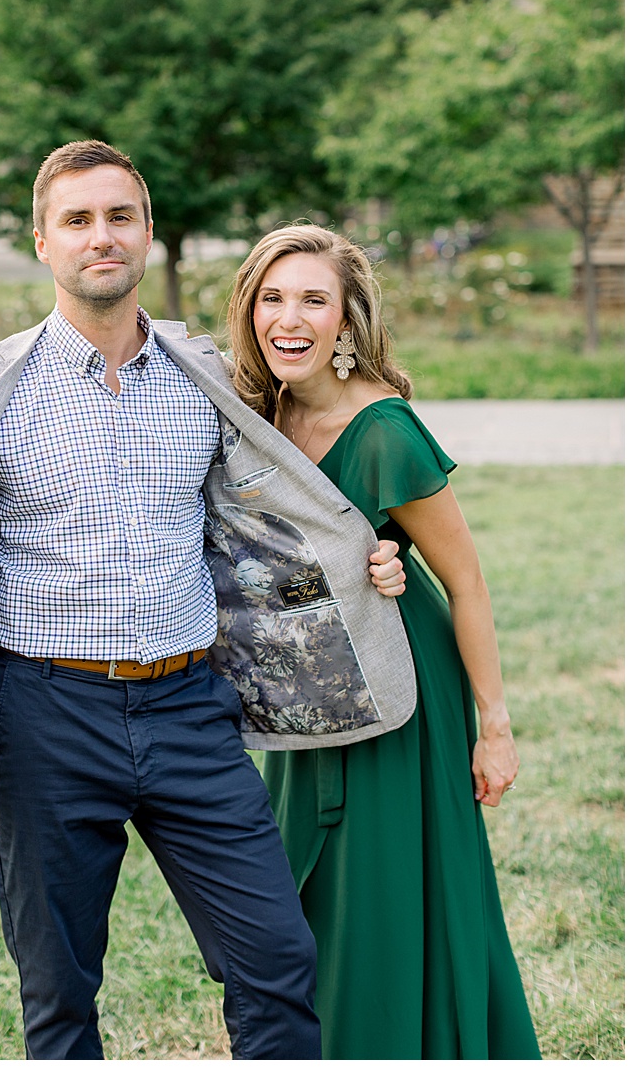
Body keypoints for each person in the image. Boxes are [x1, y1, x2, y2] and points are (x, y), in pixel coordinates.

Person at [0, 139, 414, 1059]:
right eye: (78, 220)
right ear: (42, 242)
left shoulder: (207, 378)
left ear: (147, 233)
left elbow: (278, 507)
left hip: (188, 708)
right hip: (46, 715)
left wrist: (369, 561)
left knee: (277, 960)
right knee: (58, 992)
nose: (102, 237)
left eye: (119, 217)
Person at [227, 224, 540, 1059]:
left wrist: (496, 726)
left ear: (347, 321)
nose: (288, 319)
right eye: (272, 297)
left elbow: (465, 581)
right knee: (312, 898)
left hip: (402, 692)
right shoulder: (263, 411)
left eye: (313, 300)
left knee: (389, 887)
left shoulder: (388, 431)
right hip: (306, 689)